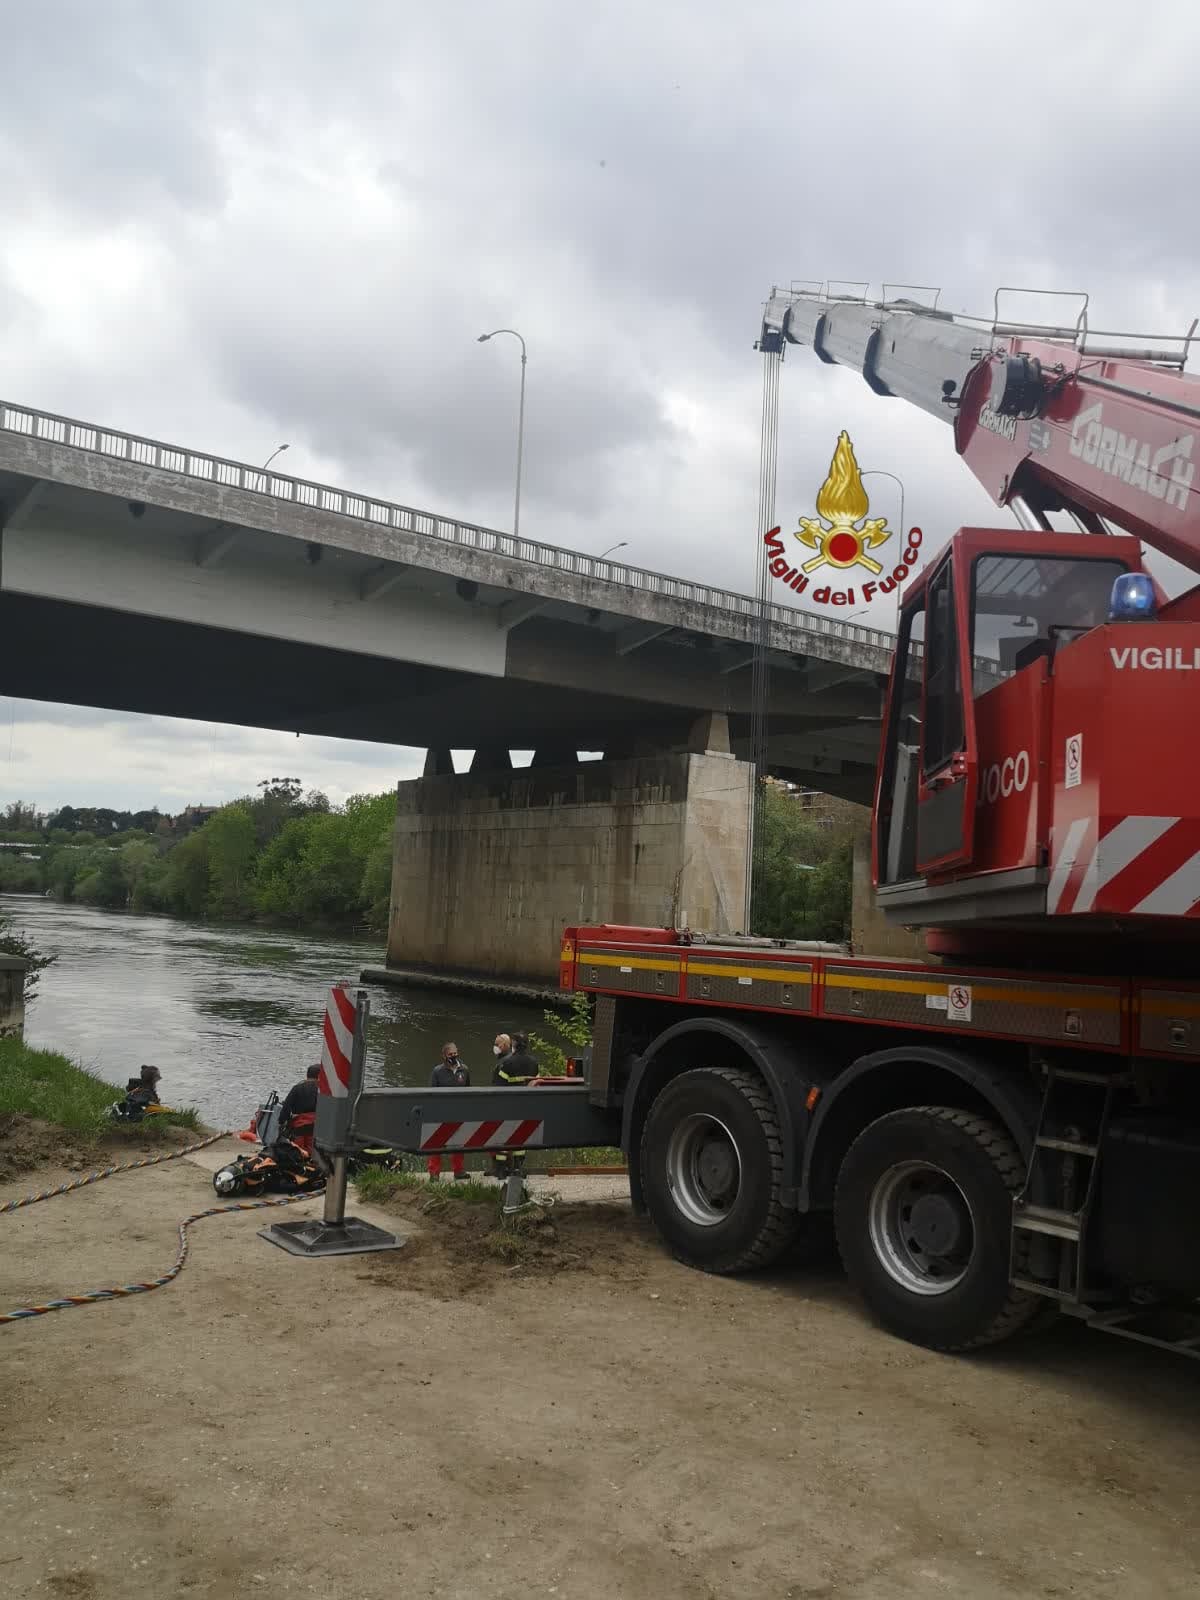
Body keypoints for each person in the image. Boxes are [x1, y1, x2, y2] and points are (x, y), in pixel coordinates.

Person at [491, 1031, 540, 1180]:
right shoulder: (534, 1063)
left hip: (508, 1106)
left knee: (502, 1136)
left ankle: (501, 1169)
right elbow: (536, 1084)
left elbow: (498, 1086)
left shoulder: (507, 1063)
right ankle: (518, 1168)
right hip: (526, 1106)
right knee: (521, 1137)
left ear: (514, 1044)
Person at [428, 1043, 470, 1182]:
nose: (453, 1056)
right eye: (450, 1054)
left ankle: (459, 1171)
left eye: (455, 1053)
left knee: (458, 1143)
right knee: (436, 1144)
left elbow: (469, 1091)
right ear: (444, 1056)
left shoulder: (464, 1070)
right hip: (441, 1114)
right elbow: (431, 1094)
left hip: (459, 1113)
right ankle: (434, 1174)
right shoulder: (437, 1071)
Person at [279, 1063, 320, 1155]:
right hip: (316, 1126)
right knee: (314, 1152)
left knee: (299, 1152)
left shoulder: (297, 1088)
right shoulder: (322, 1089)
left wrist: (282, 1122)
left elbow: (286, 1108)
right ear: (319, 1076)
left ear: (307, 1075)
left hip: (299, 1126)